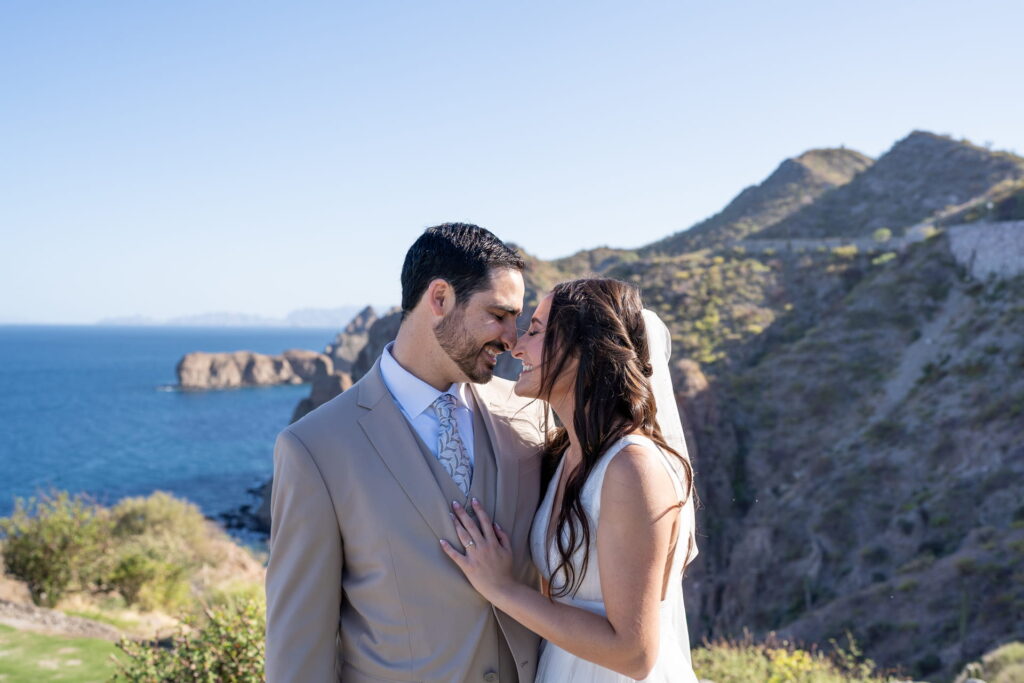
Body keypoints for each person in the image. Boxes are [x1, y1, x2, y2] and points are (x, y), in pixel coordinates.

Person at [265, 223, 551, 682]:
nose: (512, 339)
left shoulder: (531, 413)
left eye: (516, 319)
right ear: (439, 299)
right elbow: (298, 650)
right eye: (498, 315)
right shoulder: (314, 450)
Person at [441, 278, 699, 682]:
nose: (517, 345)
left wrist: (502, 589)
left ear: (585, 348)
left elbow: (635, 654)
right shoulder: (566, 457)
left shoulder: (632, 468)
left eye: (537, 331)